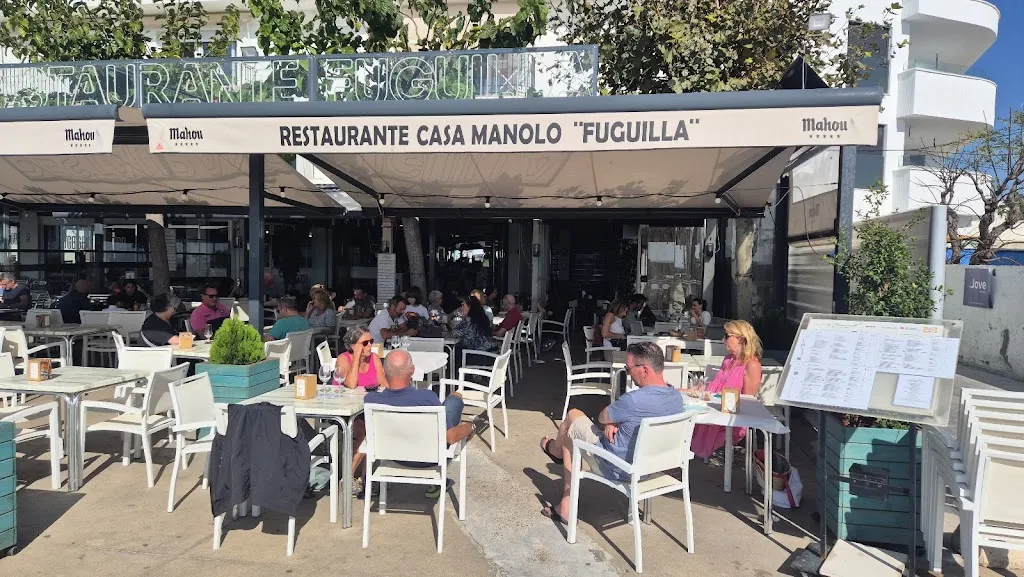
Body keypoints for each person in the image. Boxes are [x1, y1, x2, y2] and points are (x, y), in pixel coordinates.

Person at [538, 342, 685, 522]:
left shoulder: (633, 400)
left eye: (628, 368)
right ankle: (557, 455)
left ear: (645, 369)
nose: (628, 373)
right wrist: (615, 420)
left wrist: (611, 419)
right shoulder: (677, 399)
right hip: (649, 468)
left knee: (572, 418)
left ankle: (556, 455)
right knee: (572, 432)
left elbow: (601, 417)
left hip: (616, 467)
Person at [366, 350, 475, 497]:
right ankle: (456, 398)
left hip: (395, 457)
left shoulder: (371, 400)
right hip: (429, 459)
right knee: (453, 402)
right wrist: (469, 426)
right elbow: (451, 437)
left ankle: (453, 400)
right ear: (412, 371)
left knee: (449, 405)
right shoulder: (426, 397)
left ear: (384, 371)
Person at [689, 320, 763, 459]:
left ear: (741, 338)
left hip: (733, 417)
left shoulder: (752, 365)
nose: (723, 339)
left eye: (727, 335)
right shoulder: (728, 359)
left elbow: (748, 401)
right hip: (716, 408)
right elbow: (718, 386)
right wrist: (704, 389)